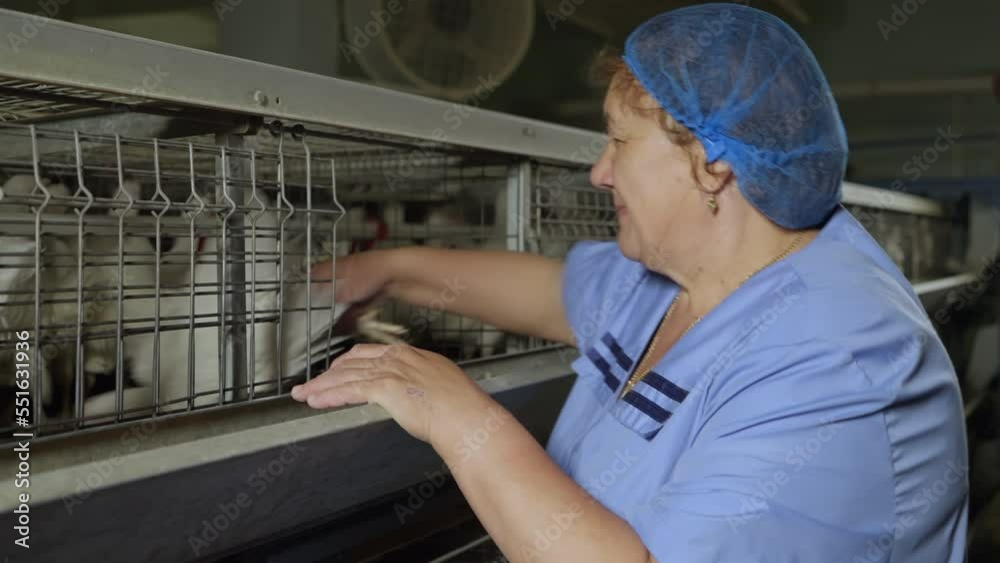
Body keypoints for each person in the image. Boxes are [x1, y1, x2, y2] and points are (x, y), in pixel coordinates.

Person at [293, 4, 969, 561]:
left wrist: (456, 413)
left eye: (618, 141)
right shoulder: (682, 275)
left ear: (711, 165)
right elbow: (550, 293)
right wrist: (388, 268)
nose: (600, 172)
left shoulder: (835, 362)